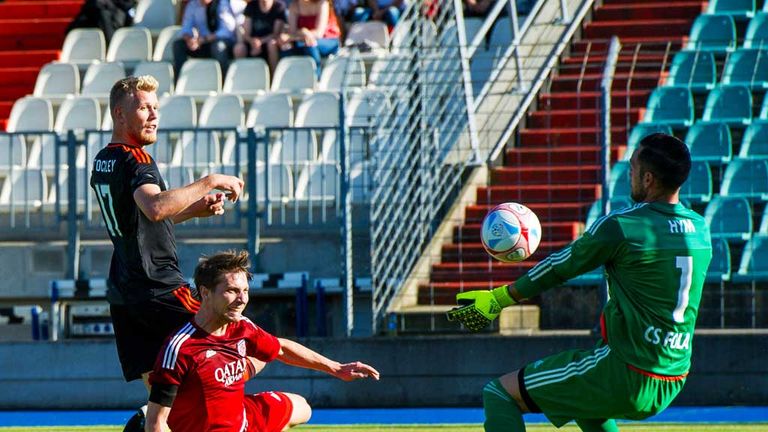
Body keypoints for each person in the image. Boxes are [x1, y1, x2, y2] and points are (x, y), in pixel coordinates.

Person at [448, 133, 713, 432]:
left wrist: (499, 299)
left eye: (632, 167)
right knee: (585, 405)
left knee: (499, 393)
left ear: (648, 179)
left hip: (624, 371)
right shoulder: (700, 229)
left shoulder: (623, 226)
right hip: (673, 375)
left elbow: (560, 267)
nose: (629, 174)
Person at [90, 75, 244, 431]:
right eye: (143, 107)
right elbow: (156, 207)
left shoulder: (104, 160)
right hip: (159, 284)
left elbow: (142, 219)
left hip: (125, 290)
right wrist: (210, 180)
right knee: (231, 343)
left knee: (160, 390)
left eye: (156, 108)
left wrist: (193, 209)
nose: (153, 115)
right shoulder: (136, 158)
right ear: (119, 114)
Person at [145, 250, 380, 432]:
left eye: (245, 290)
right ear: (205, 293)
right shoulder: (180, 348)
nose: (242, 299)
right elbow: (156, 423)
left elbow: (281, 348)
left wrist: (336, 368)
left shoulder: (242, 327)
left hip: (245, 419)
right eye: (232, 291)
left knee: (302, 407)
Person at [172, 0, 246, 78]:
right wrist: (189, 40)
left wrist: (205, 39)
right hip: (203, 43)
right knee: (178, 45)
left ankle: (224, 81)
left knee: (218, 47)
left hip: (225, 43)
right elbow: (186, 28)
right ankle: (180, 80)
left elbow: (227, 30)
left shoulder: (224, 3)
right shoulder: (193, 4)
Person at [280, 0, 341, 75]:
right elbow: (293, 32)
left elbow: (319, 33)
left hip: (328, 40)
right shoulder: (294, 5)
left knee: (311, 44)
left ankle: (316, 78)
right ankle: (287, 78)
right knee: (285, 48)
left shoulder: (322, 3)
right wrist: (302, 33)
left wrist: (303, 33)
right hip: (303, 40)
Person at [234, 0, 287, 75]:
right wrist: (252, 42)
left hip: (269, 42)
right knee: (239, 49)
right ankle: (240, 76)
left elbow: (276, 33)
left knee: (271, 45)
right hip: (252, 43)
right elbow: (246, 33)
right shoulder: (251, 6)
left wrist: (260, 42)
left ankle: (275, 77)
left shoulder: (279, 7)